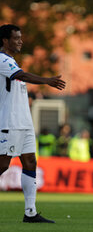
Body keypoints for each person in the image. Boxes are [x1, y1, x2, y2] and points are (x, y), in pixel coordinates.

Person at [0, 24, 65, 223]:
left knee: (30, 162)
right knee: (2, 165)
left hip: (24, 122)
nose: (21, 41)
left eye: (21, 37)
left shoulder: (11, 61)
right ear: (5, 40)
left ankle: (30, 212)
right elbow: (23, 76)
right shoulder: (1, 59)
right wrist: (47, 81)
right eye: (16, 38)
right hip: (9, 122)